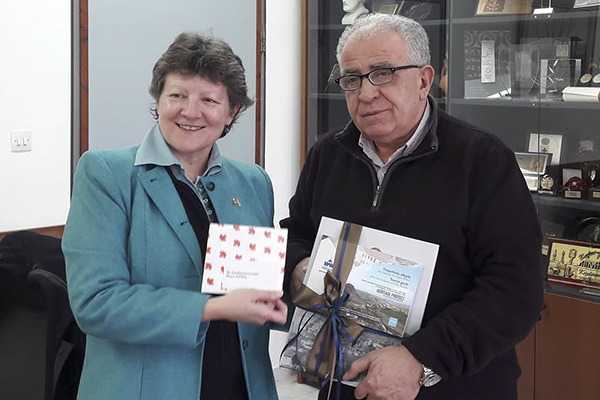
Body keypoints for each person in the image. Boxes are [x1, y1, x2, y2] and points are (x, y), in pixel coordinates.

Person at [281, 13, 544, 400]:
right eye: (352, 79)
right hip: (346, 384)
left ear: (424, 80)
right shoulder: (327, 154)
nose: (366, 94)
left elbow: (517, 290)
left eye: (383, 73)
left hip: (456, 386)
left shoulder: (482, 160)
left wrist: (421, 359)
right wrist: (300, 268)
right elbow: (298, 234)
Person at [62, 32, 288, 400]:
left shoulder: (253, 182)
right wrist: (211, 308)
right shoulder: (107, 174)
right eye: (177, 95)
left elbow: (262, 286)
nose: (190, 111)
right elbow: (96, 302)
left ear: (232, 112)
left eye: (209, 100)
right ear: (158, 99)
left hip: (242, 386)